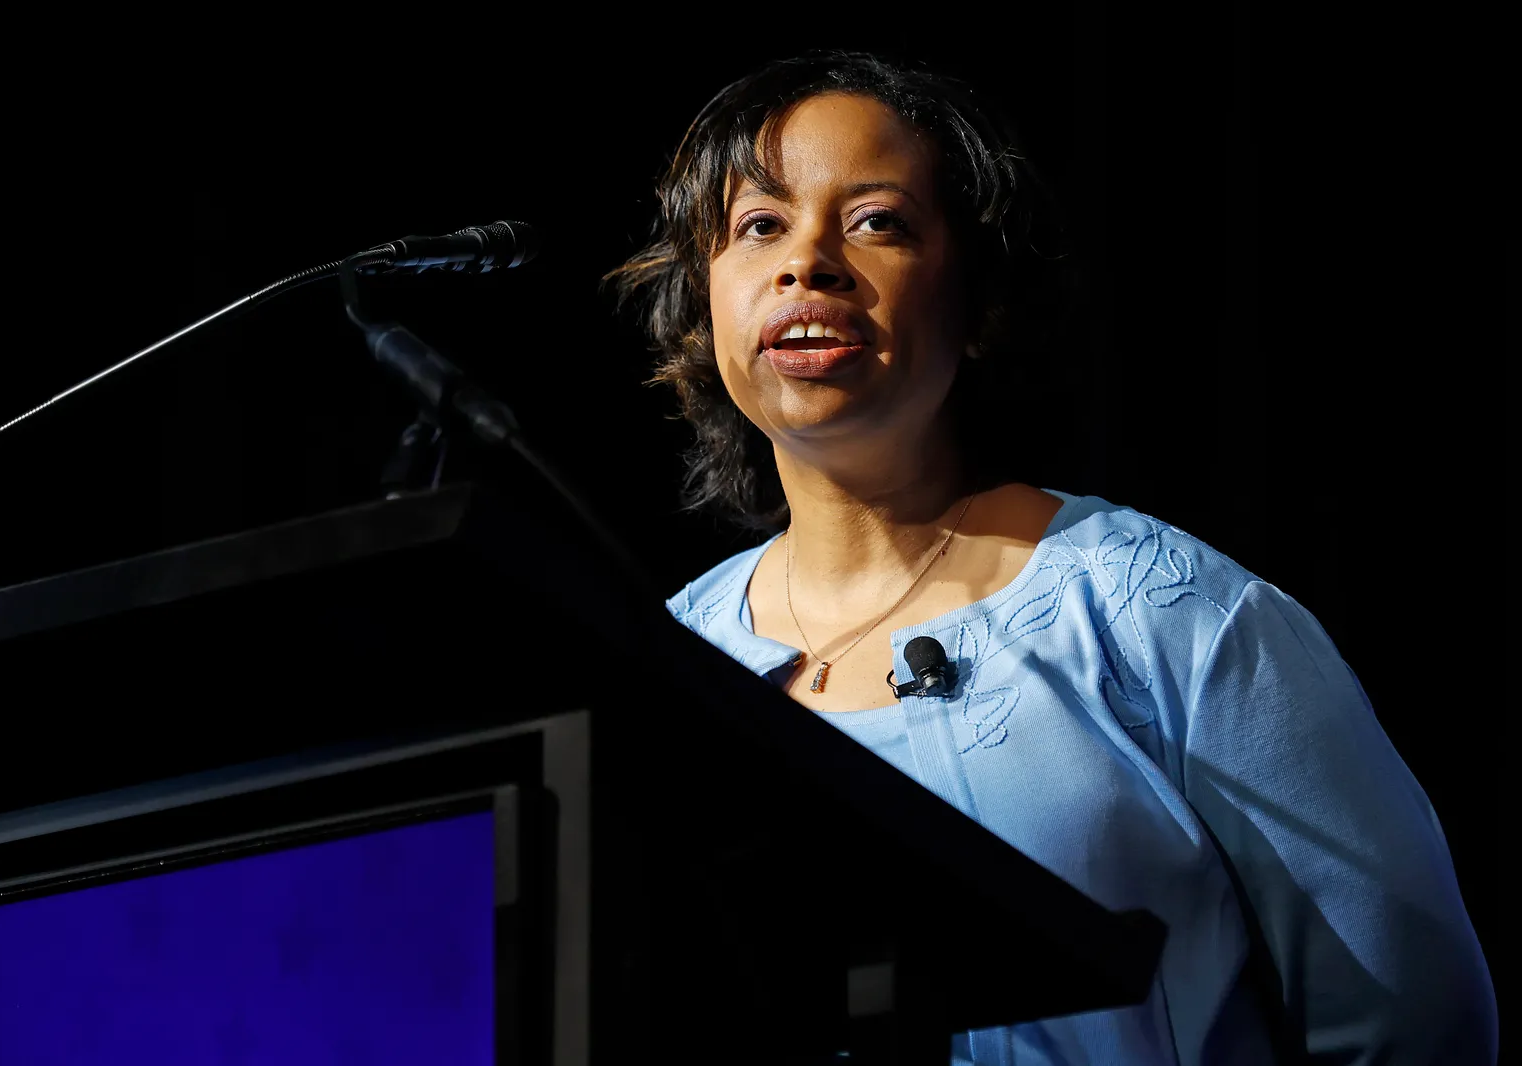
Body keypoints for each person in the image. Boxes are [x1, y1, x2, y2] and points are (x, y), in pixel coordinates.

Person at [611, 53, 1497, 1064]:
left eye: (876, 222)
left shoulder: (1165, 616)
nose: (805, 261)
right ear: (704, 298)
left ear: (974, 292)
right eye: (757, 225)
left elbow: (1416, 1028)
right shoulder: (660, 659)